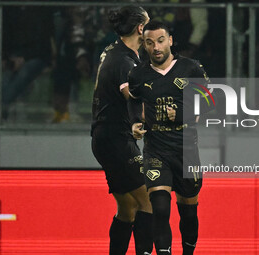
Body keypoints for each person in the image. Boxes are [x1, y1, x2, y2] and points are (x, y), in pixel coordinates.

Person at [128, 20, 211, 255]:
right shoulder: (138, 74)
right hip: (155, 151)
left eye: (161, 41)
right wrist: (135, 122)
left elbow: (211, 103)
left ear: (170, 41)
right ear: (144, 45)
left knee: (188, 212)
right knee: (160, 208)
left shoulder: (192, 69)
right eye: (150, 42)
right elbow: (133, 99)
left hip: (186, 150)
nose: (156, 47)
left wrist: (181, 114)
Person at [90, 6, 152, 255]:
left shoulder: (113, 51)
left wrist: (135, 122)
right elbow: (132, 96)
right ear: (140, 28)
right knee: (149, 201)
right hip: (116, 140)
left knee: (127, 208)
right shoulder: (124, 61)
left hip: (105, 138)